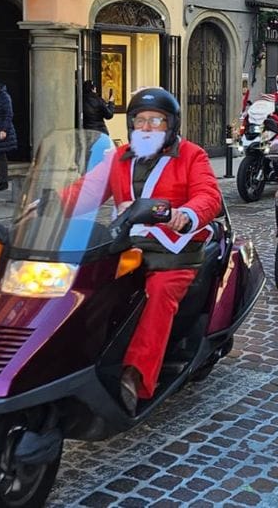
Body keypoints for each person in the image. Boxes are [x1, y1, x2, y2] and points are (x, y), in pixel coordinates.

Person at [88, 88, 224, 414]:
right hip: (125, 246)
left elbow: (209, 194)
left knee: (160, 292)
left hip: (174, 251)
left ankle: (135, 376)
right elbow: (87, 190)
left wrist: (187, 214)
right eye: (140, 121)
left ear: (170, 126)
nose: (146, 127)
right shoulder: (118, 159)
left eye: (156, 121)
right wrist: (47, 204)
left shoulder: (191, 155)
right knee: (83, 282)